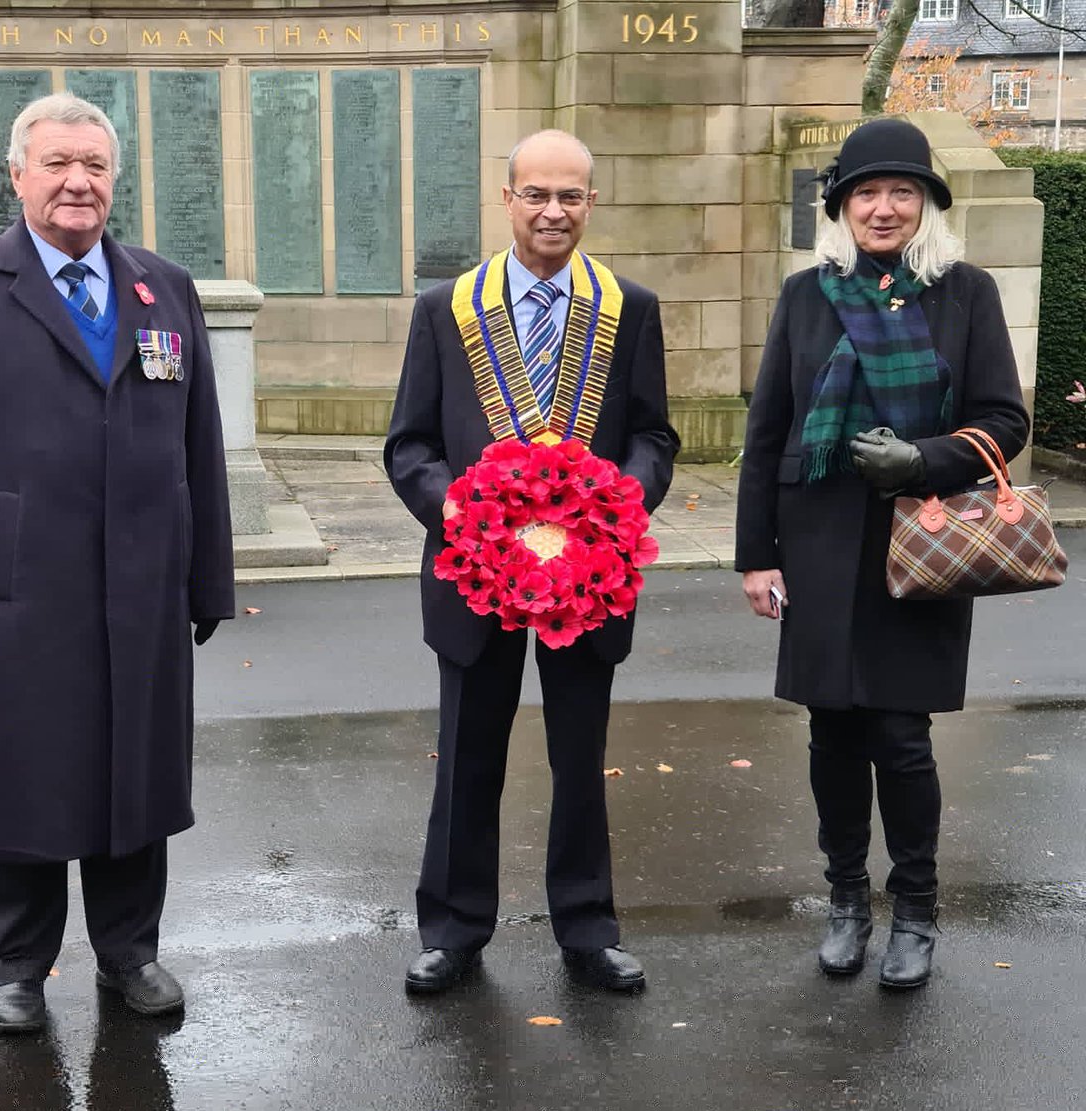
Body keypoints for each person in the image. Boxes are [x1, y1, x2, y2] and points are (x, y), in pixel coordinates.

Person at [0, 93, 235, 1032]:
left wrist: (208, 578)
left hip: (144, 588)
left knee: (138, 768)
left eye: (95, 165)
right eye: (57, 164)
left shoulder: (165, 286)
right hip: (19, 592)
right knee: (24, 773)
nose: (78, 182)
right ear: (17, 176)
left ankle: (131, 952)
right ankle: (16, 965)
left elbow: (199, 444)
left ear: (114, 179)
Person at [735, 118, 1030, 989]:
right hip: (821, 540)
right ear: (842, 205)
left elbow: (1004, 420)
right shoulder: (805, 295)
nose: (884, 207)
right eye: (867, 192)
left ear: (929, 204)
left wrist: (924, 459)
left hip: (925, 540)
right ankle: (845, 902)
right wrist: (758, 555)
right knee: (832, 732)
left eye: (904, 191)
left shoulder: (964, 293)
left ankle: (916, 913)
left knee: (901, 738)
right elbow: (769, 431)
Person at [385, 129, 680, 995]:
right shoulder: (447, 309)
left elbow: (654, 437)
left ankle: (587, 928)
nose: (554, 211)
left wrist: (617, 509)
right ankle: (454, 929)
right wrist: (467, 518)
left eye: (571, 196)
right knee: (468, 753)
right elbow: (410, 445)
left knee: (579, 757)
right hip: (475, 578)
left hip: (590, 581)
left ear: (592, 202)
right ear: (508, 199)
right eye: (537, 195)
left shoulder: (632, 307)